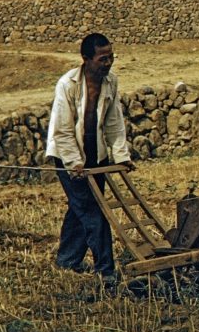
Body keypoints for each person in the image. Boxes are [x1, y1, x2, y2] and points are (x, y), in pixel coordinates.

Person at [46, 33, 134, 284]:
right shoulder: (68, 85)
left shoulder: (110, 82)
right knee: (93, 212)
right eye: (102, 59)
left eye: (111, 58)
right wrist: (74, 163)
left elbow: (114, 122)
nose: (108, 63)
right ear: (86, 59)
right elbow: (62, 130)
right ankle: (106, 270)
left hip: (97, 157)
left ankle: (67, 260)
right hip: (67, 156)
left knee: (80, 209)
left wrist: (121, 157)